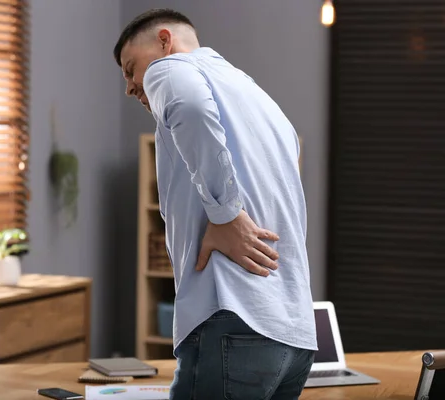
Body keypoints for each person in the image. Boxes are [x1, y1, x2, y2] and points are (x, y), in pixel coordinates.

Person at [114, 8, 317, 400]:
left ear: (163, 40)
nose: (129, 86)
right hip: (292, 334)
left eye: (129, 69)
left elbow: (188, 107)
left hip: (234, 318)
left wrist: (226, 214)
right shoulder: (255, 94)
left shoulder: (168, 69)